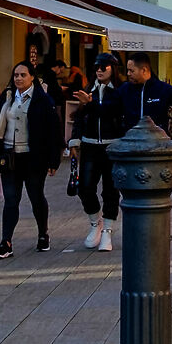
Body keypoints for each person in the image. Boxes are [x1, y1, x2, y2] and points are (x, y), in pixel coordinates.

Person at [0, 61, 63, 259]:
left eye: (23, 75)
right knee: (11, 200)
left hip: (33, 158)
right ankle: (6, 242)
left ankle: (43, 233)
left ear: (32, 77)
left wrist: (54, 161)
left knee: (36, 197)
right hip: (9, 156)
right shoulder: (7, 97)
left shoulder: (42, 100)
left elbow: (53, 131)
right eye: (16, 75)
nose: (18, 78)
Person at [70, 55, 125, 251]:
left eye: (104, 67)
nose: (99, 70)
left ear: (113, 69)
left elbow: (115, 113)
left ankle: (107, 231)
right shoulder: (88, 90)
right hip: (90, 145)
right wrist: (74, 141)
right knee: (85, 187)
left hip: (112, 146)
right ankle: (95, 222)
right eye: (96, 67)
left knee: (111, 190)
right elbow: (79, 117)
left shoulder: (119, 91)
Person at [111, 52, 172, 135]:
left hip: (157, 144)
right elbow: (110, 109)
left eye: (132, 71)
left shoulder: (164, 89)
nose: (128, 74)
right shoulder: (124, 89)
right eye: (128, 70)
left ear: (144, 70)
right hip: (131, 143)